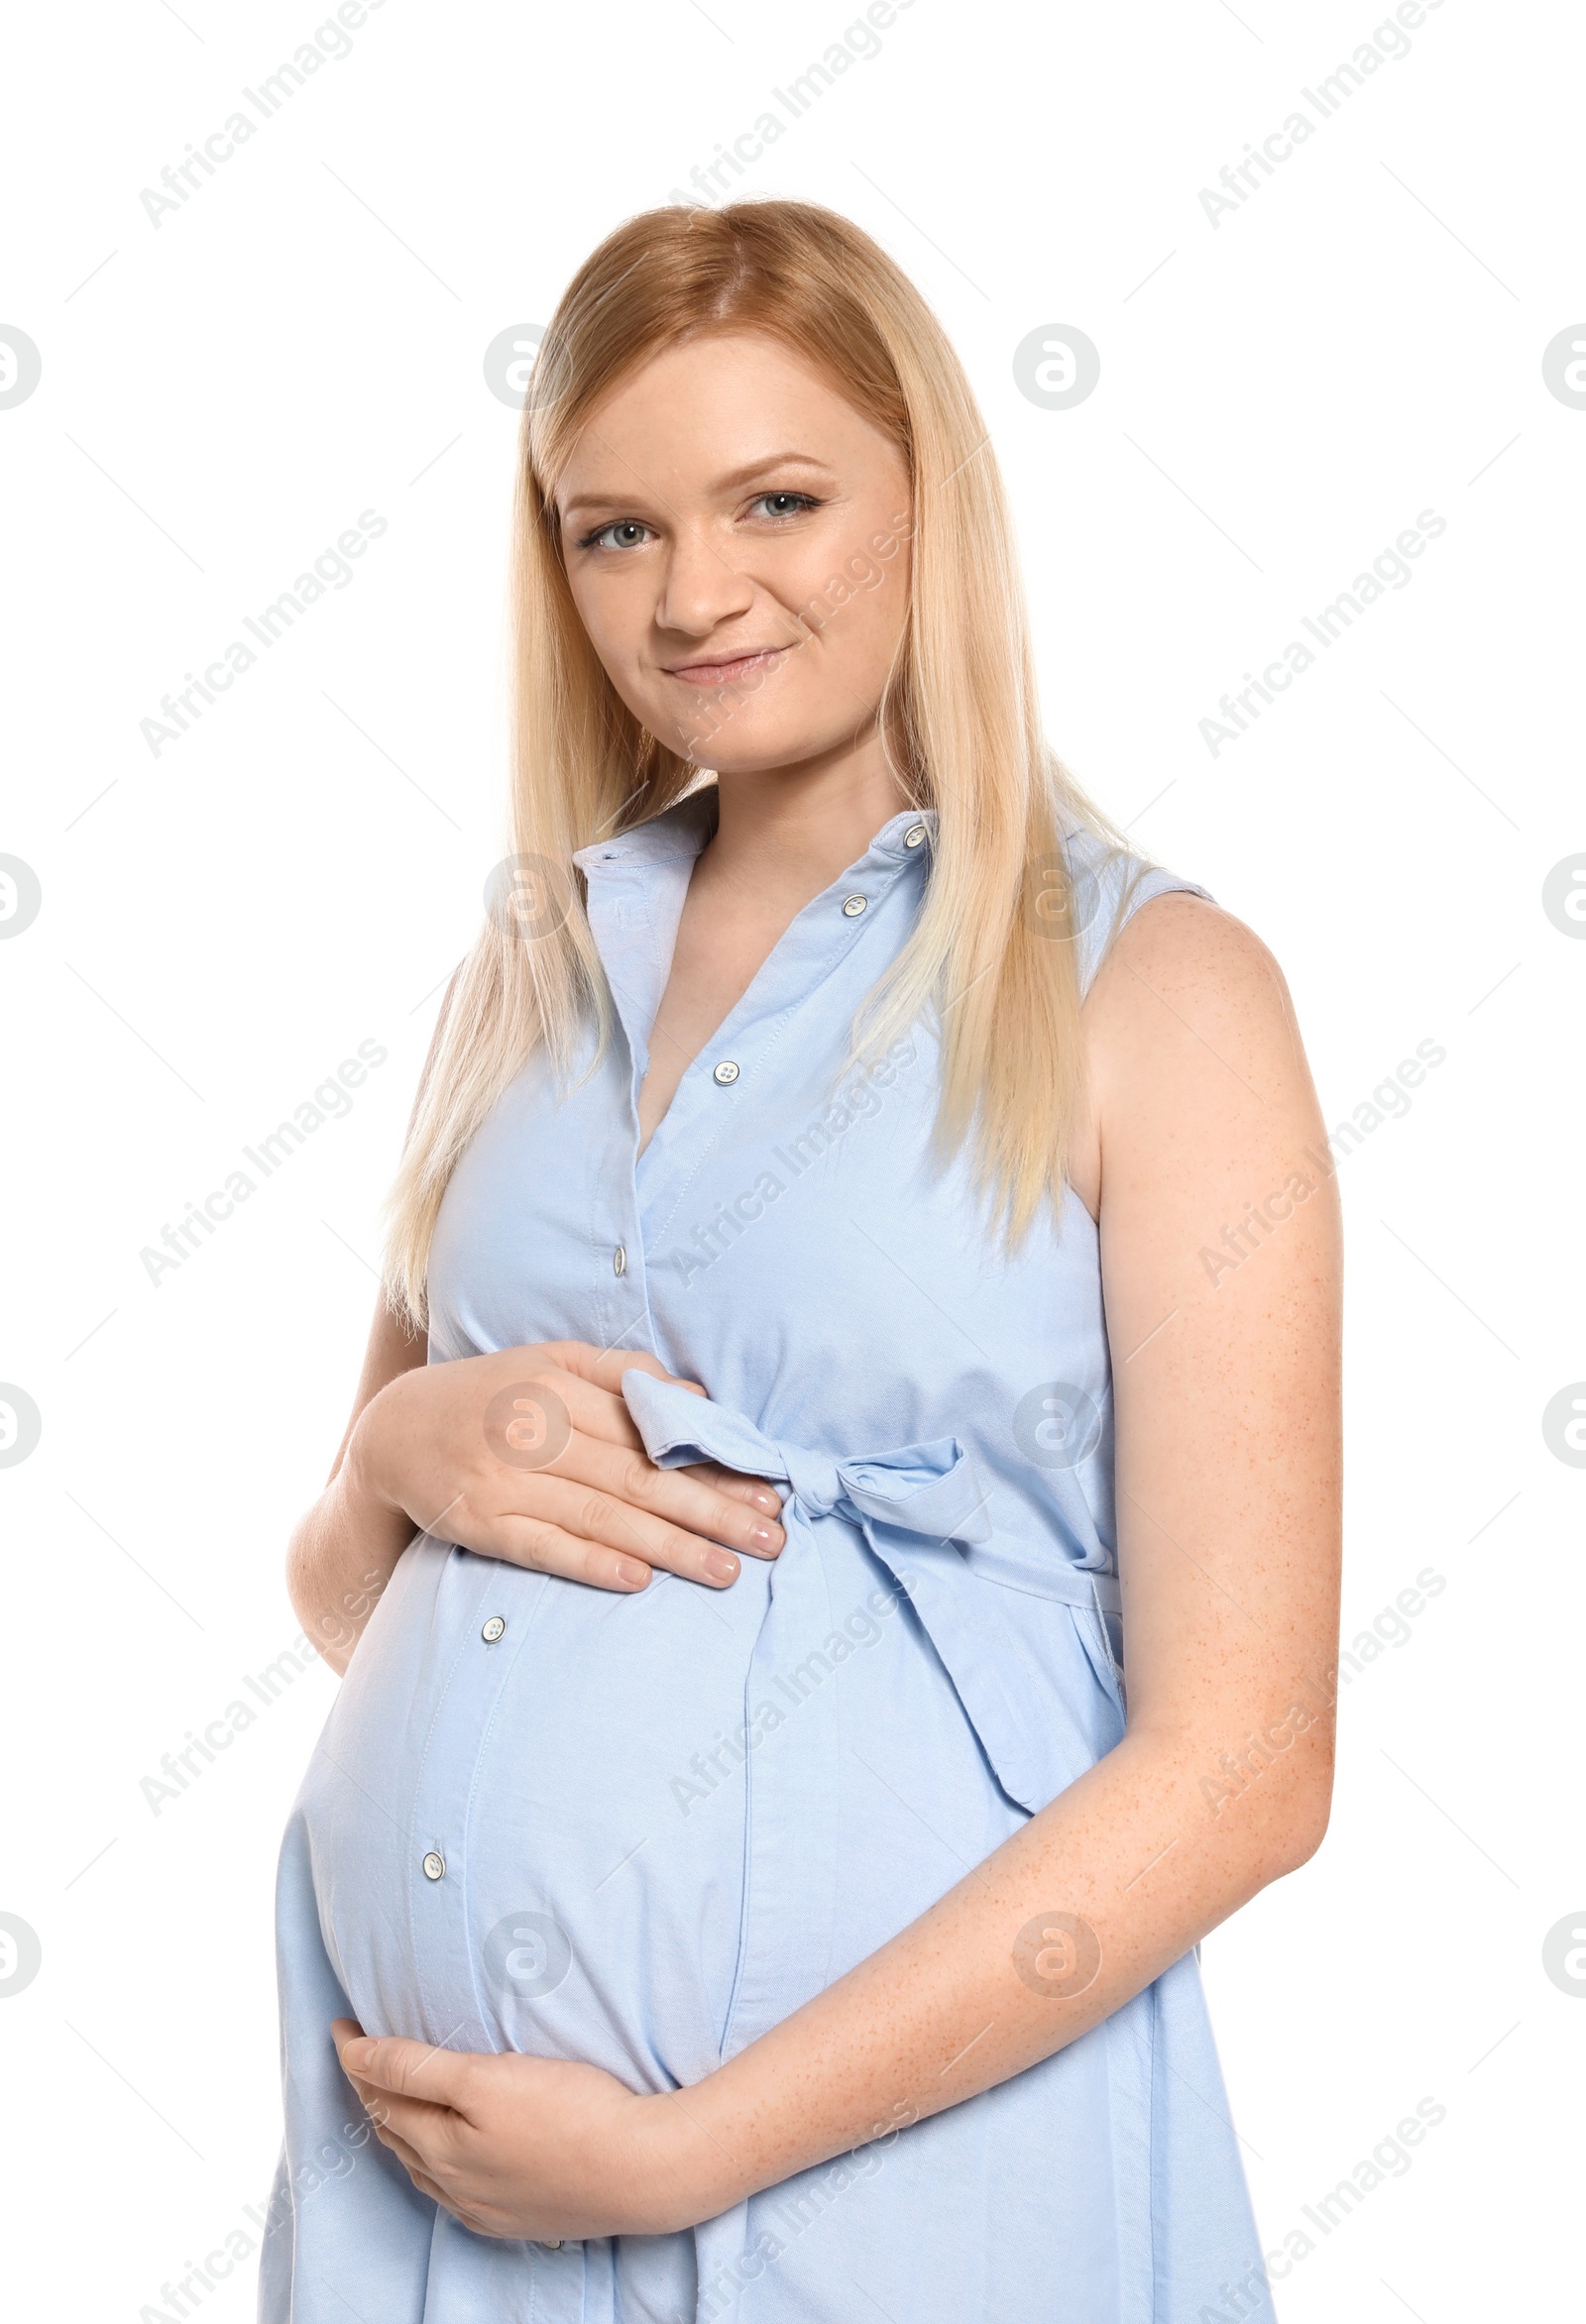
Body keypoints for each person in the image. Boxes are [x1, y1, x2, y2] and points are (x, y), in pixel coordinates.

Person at [263, 197, 1342, 2323]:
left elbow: (1242, 1769)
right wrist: (401, 1440)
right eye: (615, 530)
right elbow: (338, 1594)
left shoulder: (1152, 989)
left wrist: (682, 2153)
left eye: (776, 500)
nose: (696, 594)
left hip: (899, 2210)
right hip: (421, 2218)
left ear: (925, 500)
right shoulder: (530, 962)